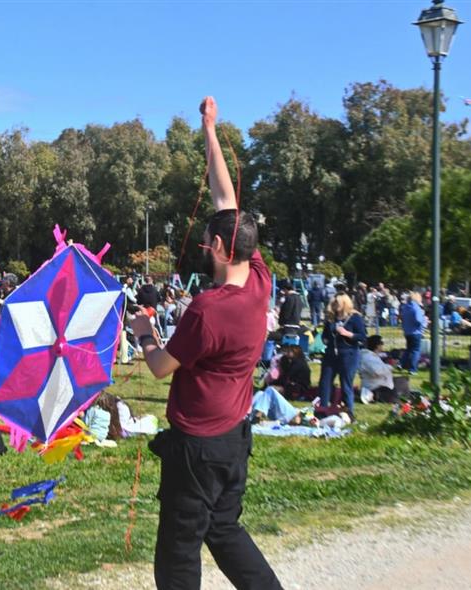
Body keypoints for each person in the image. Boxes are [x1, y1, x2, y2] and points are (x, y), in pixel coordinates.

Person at [130, 96, 281, 590]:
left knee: (178, 546)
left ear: (218, 247)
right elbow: (224, 196)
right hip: (235, 438)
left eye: (208, 240)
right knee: (224, 527)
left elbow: (159, 367)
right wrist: (209, 129)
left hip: (197, 446)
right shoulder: (259, 279)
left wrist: (145, 330)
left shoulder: (208, 309)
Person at [319, 293, 367, 420]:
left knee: (346, 383)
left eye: (337, 304)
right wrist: (325, 339)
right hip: (331, 354)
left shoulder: (354, 318)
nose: (335, 306)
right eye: (333, 304)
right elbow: (325, 335)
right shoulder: (331, 319)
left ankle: (348, 412)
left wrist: (347, 334)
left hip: (349, 354)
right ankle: (322, 409)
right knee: (325, 381)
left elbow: (362, 336)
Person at [359, 335, 398, 403]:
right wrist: (390, 366)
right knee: (395, 395)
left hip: (381, 386)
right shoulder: (368, 357)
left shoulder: (372, 356)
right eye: (381, 344)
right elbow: (376, 371)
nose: (382, 346)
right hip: (375, 388)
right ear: (377, 346)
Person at [400, 291, 427, 375]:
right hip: (416, 331)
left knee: (408, 349)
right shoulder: (416, 308)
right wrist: (424, 321)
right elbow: (418, 320)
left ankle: (401, 364)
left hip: (407, 331)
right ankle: (413, 369)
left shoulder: (405, 307)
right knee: (416, 350)